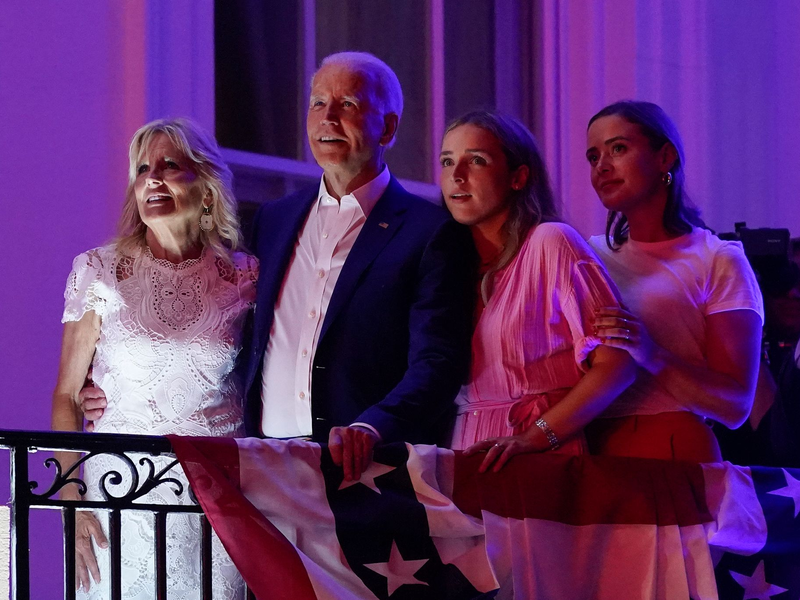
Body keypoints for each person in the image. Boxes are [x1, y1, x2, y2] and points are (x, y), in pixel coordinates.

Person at [238, 52, 475, 480]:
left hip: (366, 471)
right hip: (265, 461)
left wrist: (373, 426)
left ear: (388, 127)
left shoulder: (430, 231)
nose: (327, 118)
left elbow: (438, 360)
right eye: (317, 103)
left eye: (348, 104)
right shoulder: (272, 219)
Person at [51, 118, 256, 598]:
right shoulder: (97, 270)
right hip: (118, 500)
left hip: (216, 500)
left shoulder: (246, 275)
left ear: (207, 189)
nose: (152, 179)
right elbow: (65, 394)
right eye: (142, 169)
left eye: (169, 165)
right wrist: (71, 499)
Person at [440, 111, 636, 472]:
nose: (457, 175)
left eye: (476, 160)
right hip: (465, 454)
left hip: (538, 456)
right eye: (447, 161)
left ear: (519, 176)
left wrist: (536, 436)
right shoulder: (447, 266)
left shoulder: (552, 242)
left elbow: (618, 365)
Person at [584, 100, 763, 462]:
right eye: (593, 156)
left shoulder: (718, 258)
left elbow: (735, 406)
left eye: (618, 148)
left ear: (665, 158)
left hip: (672, 450)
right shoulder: (587, 255)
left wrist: (651, 353)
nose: (602, 166)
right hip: (589, 448)